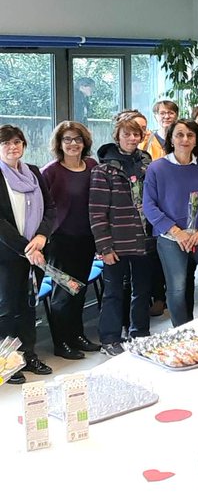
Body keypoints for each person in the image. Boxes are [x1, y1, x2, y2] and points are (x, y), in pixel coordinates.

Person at [142, 119, 198, 327]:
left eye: (190, 135)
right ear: (171, 139)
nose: (185, 139)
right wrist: (176, 232)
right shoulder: (157, 168)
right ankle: (183, 334)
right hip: (171, 238)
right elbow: (149, 205)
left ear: (196, 140)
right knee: (177, 289)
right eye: (179, 135)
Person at [90, 116, 154, 356]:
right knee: (114, 291)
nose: (132, 139)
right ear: (117, 136)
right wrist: (104, 247)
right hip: (116, 242)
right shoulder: (103, 170)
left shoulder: (148, 164)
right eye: (126, 134)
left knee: (142, 290)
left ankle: (139, 334)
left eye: (136, 134)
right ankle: (110, 338)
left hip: (144, 239)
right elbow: (96, 212)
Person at [0, 125, 55, 382]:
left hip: (36, 250)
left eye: (17, 142)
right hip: (8, 255)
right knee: (8, 308)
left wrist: (42, 236)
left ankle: (28, 354)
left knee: (29, 306)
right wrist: (26, 248)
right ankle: (8, 362)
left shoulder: (33, 171)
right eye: (7, 143)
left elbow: (50, 208)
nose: (13, 147)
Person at [41, 121, 99, 359]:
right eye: (67, 139)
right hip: (60, 242)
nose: (73, 144)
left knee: (80, 290)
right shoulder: (51, 171)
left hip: (86, 239)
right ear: (59, 143)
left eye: (77, 139)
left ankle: (77, 335)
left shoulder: (93, 166)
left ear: (84, 142)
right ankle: (61, 342)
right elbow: (42, 208)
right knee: (63, 292)